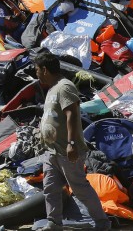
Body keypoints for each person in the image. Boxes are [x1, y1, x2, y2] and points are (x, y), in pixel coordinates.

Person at [34, 51, 111, 231]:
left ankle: (102, 223)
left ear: (44, 69)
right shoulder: (53, 88)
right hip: (52, 150)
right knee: (50, 187)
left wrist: (72, 144)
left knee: (79, 188)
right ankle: (54, 223)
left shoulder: (64, 87)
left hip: (67, 150)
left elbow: (72, 114)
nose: (35, 73)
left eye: (37, 69)